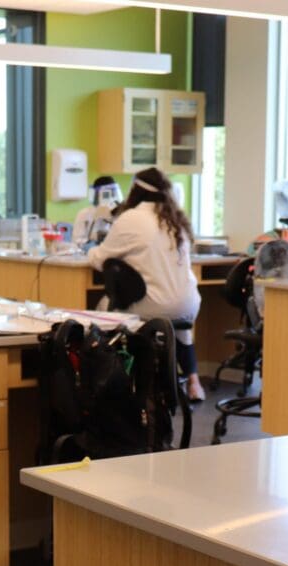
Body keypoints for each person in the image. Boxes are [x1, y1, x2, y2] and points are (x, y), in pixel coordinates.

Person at [86, 167, 205, 402]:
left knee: (102, 309)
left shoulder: (131, 218)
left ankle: (112, 379)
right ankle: (194, 382)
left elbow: (99, 259)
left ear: (135, 191)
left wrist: (90, 251)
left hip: (153, 307)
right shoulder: (174, 219)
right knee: (180, 328)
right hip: (188, 305)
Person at [73, 176, 123, 245]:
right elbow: (76, 240)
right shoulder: (84, 214)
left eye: (111, 193)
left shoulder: (121, 213)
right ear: (96, 195)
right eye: (105, 195)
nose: (108, 198)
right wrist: (94, 236)